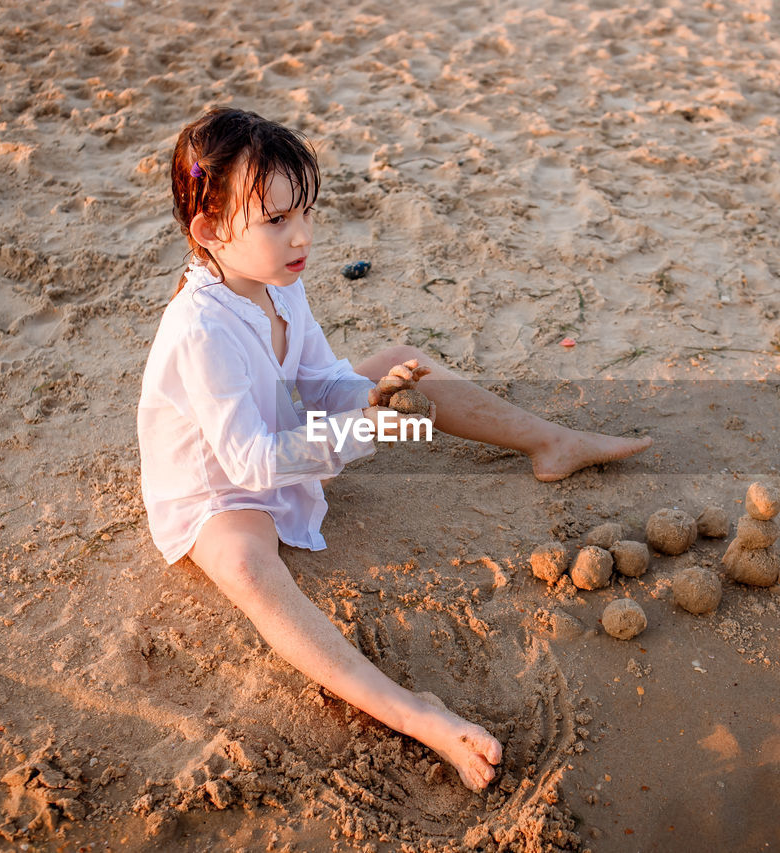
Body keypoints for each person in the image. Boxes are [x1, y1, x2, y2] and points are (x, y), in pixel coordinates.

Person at [137, 107, 652, 791]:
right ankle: (414, 713)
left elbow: (318, 380)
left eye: (306, 212)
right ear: (209, 231)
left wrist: (376, 397)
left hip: (285, 428)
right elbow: (250, 461)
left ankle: (551, 443)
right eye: (276, 220)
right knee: (248, 564)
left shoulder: (275, 284)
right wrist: (364, 428)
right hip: (219, 486)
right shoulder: (201, 325)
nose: (302, 235)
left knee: (402, 365)